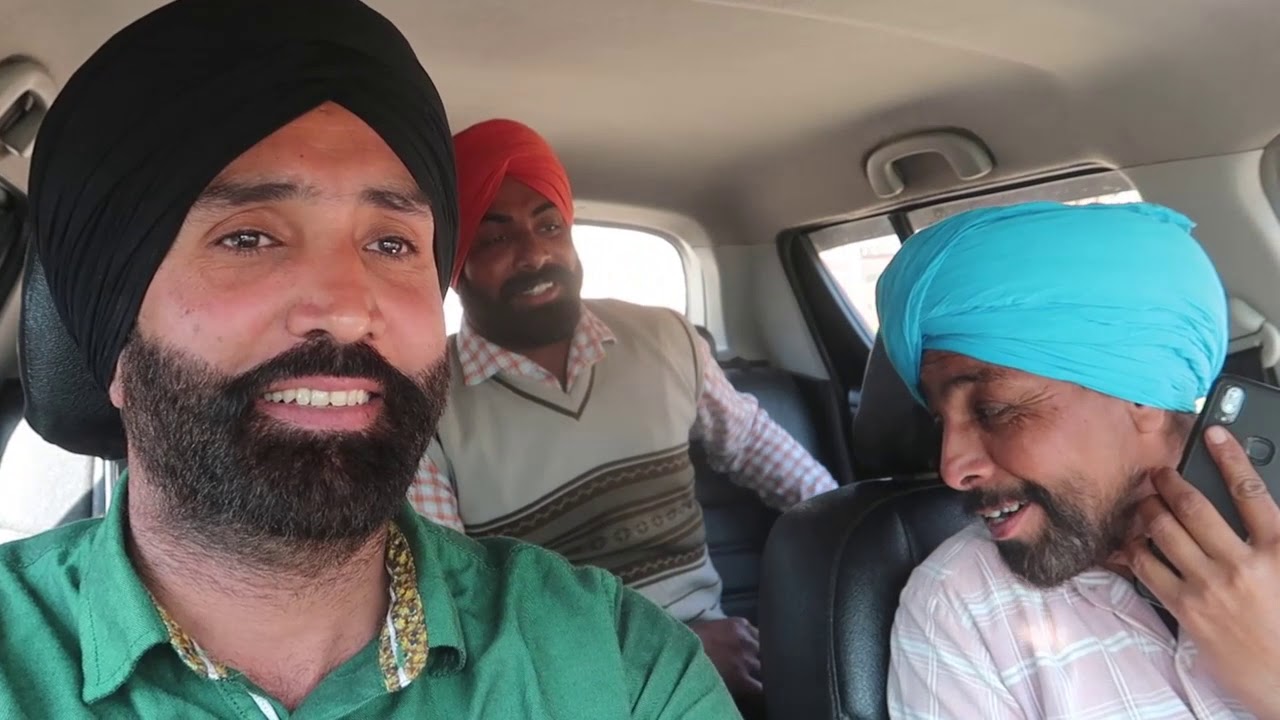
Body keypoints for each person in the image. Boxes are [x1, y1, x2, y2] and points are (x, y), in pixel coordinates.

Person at [0, 2, 741, 718]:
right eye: (248, 238)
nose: (349, 310)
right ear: (112, 336)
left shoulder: (618, 662)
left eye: (392, 244)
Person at [410, 117, 838, 707]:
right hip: (555, 688)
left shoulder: (665, 338)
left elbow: (760, 451)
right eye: (494, 238)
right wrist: (668, 652)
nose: (534, 254)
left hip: (720, 663)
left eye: (550, 226)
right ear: (455, 265)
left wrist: (858, 545)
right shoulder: (427, 406)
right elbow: (460, 603)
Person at [879, 201, 1280, 719]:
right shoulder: (962, 605)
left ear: (1141, 397)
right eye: (939, 423)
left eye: (994, 410)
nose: (953, 470)